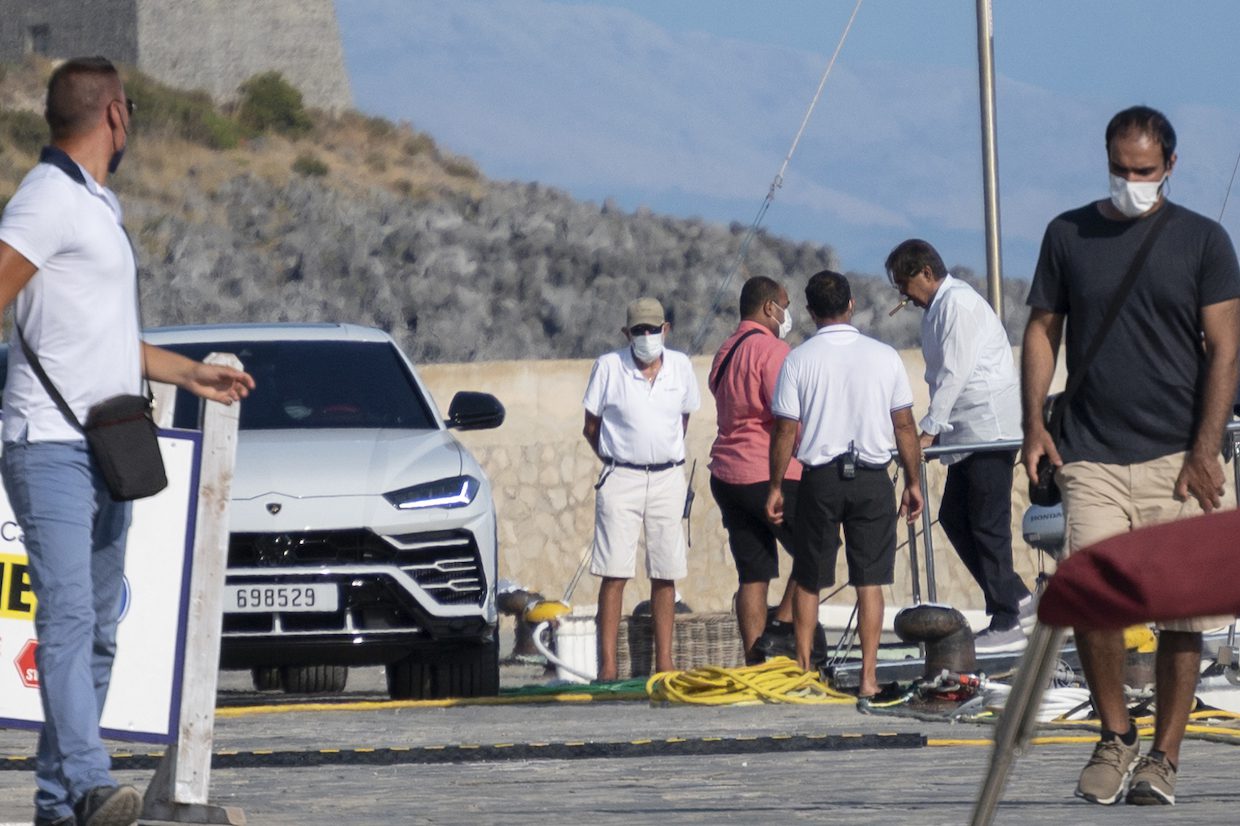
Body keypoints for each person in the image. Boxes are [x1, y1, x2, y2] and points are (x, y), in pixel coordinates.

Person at [0, 57, 255, 826]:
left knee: (102, 629)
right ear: (114, 113)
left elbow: (108, 339)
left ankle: (57, 805)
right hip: (48, 445)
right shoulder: (47, 200)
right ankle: (84, 780)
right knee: (70, 620)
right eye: (131, 109)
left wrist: (191, 372)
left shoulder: (93, 202)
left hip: (108, 445)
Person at [1022, 105, 1240, 807]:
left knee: (1186, 617)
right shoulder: (1068, 235)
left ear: (1170, 167)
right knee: (1094, 600)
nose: (1130, 182)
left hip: (1181, 456)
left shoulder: (1204, 242)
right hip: (1092, 454)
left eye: (1143, 171)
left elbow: (1226, 349)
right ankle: (1116, 734)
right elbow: (1041, 329)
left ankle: (1165, 756)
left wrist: (1206, 449)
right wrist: (1034, 423)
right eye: (1119, 169)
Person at [765, 271, 923, 697]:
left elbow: (785, 431)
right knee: (870, 582)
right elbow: (905, 425)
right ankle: (869, 678)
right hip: (872, 478)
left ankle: (804, 673)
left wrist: (777, 485)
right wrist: (913, 481)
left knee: (810, 577)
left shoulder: (798, 360)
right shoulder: (884, 355)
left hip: (820, 479)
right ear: (851, 305)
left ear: (811, 311)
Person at [885, 239, 1033, 655]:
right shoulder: (936, 311)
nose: (904, 295)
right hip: (965, 434)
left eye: (905, 284)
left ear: (927, 273)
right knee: (953, 516)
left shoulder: (958, 305)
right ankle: (1018, 597)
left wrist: (928, 430)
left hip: (987, 429)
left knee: (988, 523)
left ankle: (1006, 618)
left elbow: (955, 373)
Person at [583, 296, 700, 681]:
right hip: (621, 476)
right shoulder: (608, 367)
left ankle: (664, 664)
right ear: (626, 333)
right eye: (639, 330)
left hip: (668, 476)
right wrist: (618, 458)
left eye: (653, 329)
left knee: (666, 571)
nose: (647, 336)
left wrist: (661, 454)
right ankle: (608, 667)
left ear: (666, 330)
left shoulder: (681, 366)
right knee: (614, 571)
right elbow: (591, 426)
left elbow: (682, 420)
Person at [708, 275, 822, 664]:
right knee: (816, 548)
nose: (787, 314)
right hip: (769, 473)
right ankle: (780, 631)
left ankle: (756, 661)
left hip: (727, 474)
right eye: (785, 305)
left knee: (753, 574)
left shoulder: (725, 351)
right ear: (770, 308)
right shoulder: (772, 351)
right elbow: (789, 414)